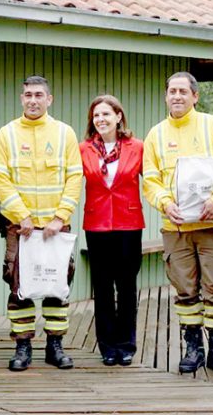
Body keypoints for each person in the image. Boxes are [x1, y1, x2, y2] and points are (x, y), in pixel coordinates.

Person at [143, 72, 213, 375]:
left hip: (212, 225)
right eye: (172, 91)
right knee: (185, 290)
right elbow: (151, 179)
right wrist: (164, 203)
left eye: (183, 91)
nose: (177, 96)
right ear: (166, 96)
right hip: (177, 228)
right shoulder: (156, 134)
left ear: (195, 96)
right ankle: (193, 347)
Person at [0, 75, 83, 372]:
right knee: (20, 287)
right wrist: (22, 216)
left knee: (58, 285)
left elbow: (74, 177)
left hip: (57, 228)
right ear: (21, 99)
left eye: (39, 95)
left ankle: (55, 346)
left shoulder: (64, 133)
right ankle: (23, 346)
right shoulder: (7, 134)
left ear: (49, 99)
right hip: (22, 229)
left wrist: (59, 218)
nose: (33, 100)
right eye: (28, 95)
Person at [80, 95, 144, 366]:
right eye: (96, 115)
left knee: (127, 286)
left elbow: (152, 180)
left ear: (119, 117)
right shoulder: (83, 149)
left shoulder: (137, 147)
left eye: (106, 114)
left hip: (128, 224)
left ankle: (126, 344)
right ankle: (107, 345)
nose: (101, 119)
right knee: (103, 287)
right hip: (96, 224)